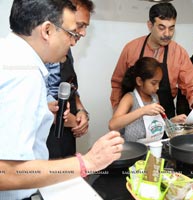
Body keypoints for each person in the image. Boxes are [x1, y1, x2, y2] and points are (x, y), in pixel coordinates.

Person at [0, 0, 123, 199]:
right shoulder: (23, 75)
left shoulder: (9, 54)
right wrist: (87, 162)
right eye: (70, 33)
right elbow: (5, 173)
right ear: (47, 31)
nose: (73, 42)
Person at [110, 2, 193, 119]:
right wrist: (118, 112)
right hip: (133, 120)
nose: (167, 34)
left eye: (171, 28)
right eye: (161, 28)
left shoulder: (179, 53)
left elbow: (191, 86)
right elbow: (117, 84)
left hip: (165, 120)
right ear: (150, 25)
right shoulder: (131, 49)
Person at [46, 0, 94, 159]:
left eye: (85, 26)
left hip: (66, 131)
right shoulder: (41, 55)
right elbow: (40, 103)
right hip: (48, 134)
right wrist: (72, 121)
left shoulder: (66, 47)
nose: (82, 33)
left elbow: (70, 85)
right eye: (79, 25)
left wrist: (80, 110)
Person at [109, 57, 186, 143]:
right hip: (134, 151)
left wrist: (172, 121)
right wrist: (143, 111)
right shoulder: (129, 98)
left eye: (159, 83)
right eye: (153, 83)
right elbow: (113, 125)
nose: (157, 87)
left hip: (154, 149)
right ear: (139, 81)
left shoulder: (155, 97)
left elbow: (155, 126)